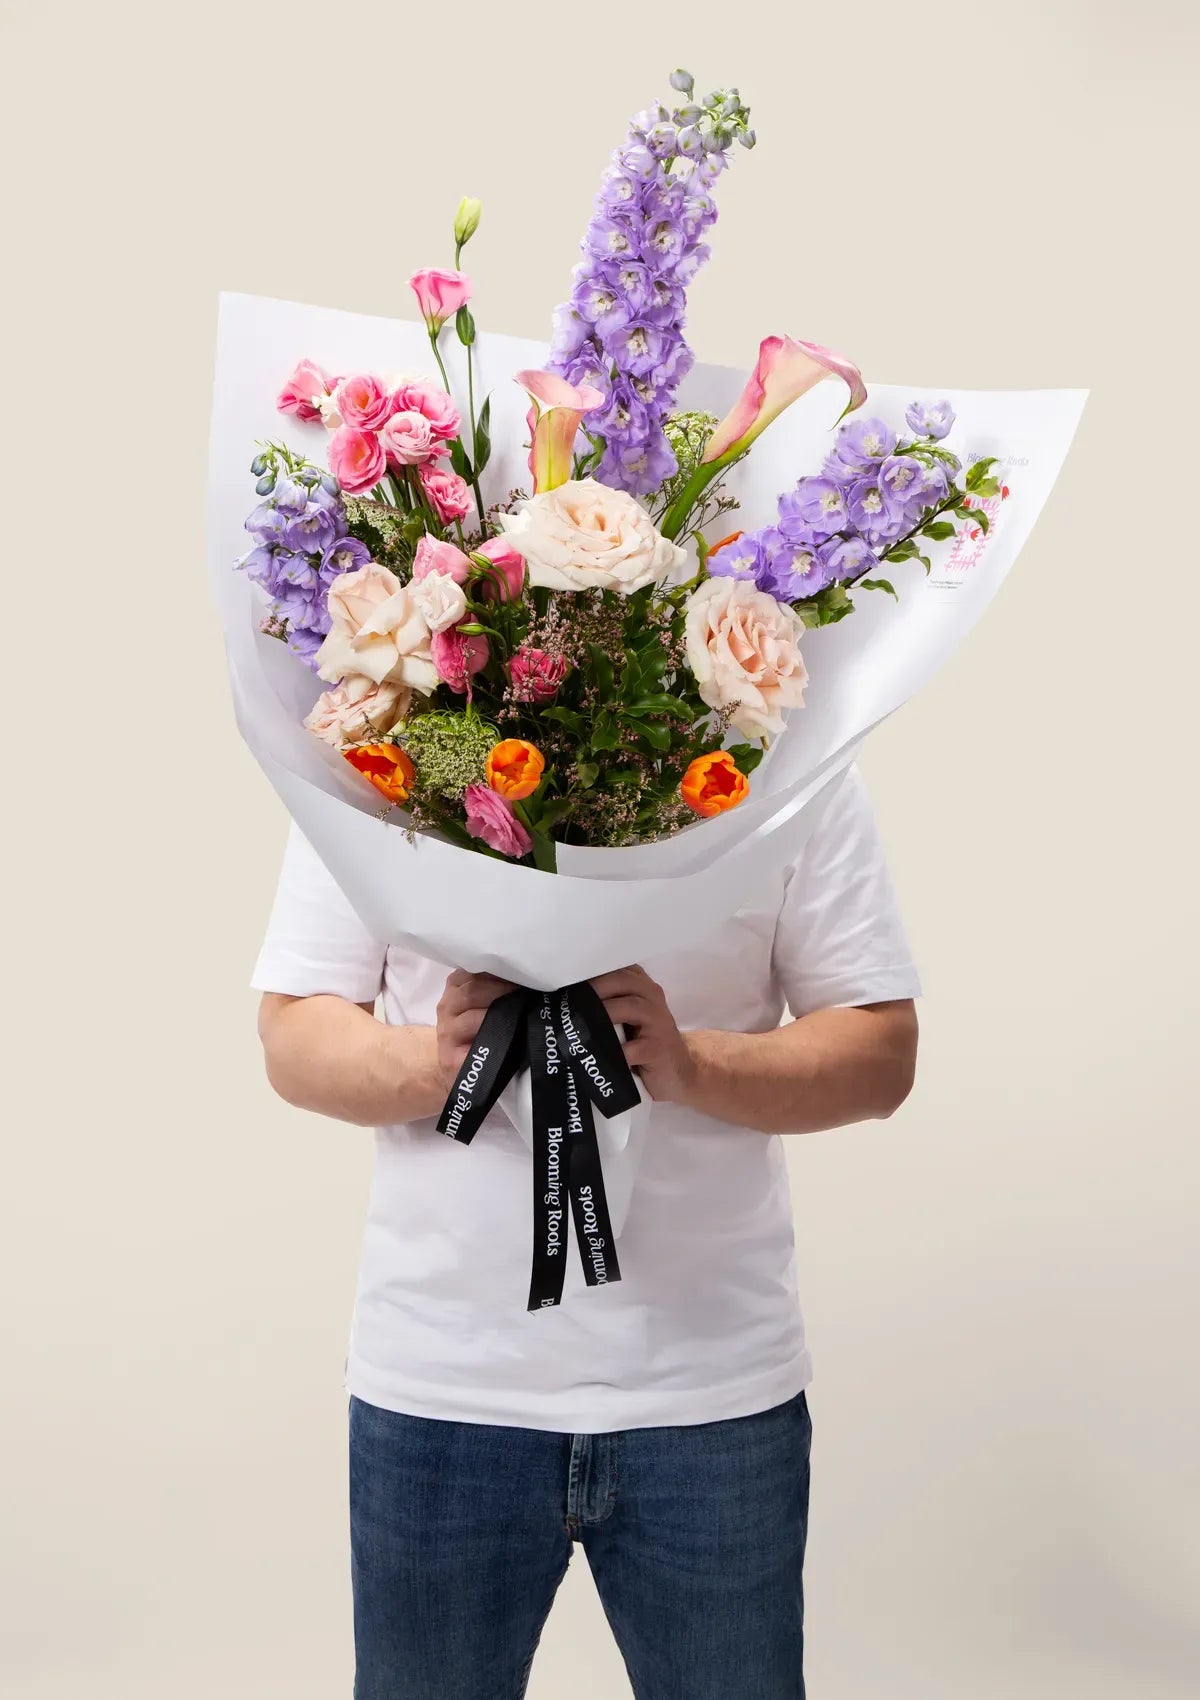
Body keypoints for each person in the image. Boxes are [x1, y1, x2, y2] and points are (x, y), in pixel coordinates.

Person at [253, 764, 920, 1700]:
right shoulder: (381, 759)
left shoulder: (793, 763)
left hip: (712, 1395)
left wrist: (686, 1062)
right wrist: (442, 1061)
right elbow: (295, 1035)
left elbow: (880, 1054)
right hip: (444, 1387)